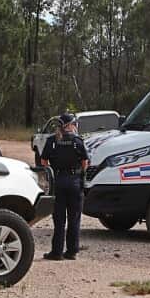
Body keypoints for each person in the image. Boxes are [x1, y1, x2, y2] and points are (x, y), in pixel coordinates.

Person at [37, 112, 89, 261]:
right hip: (74, 182)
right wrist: (77, 173)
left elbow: (44, 161)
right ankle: (72, 251)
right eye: (75, 124)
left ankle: (57, 252)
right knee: (74, 218)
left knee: (59, 219)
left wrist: (53, 172)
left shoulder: (52, 140)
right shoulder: (78, 141)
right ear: (70, 125)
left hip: (58, 182)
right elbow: (85, 162)